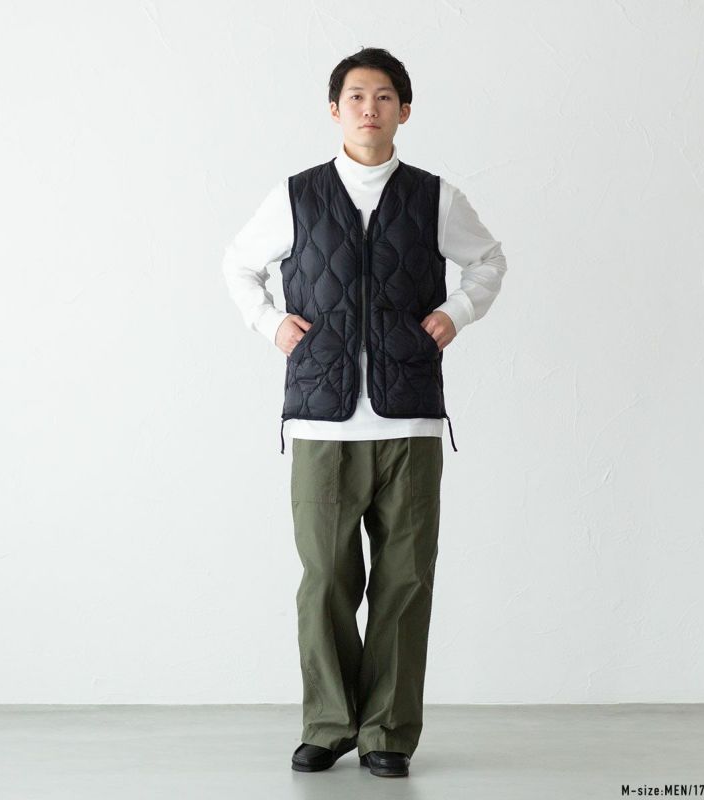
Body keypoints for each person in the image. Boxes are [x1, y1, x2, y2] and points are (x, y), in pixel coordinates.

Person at [222, 46, 507, 778]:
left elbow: (489, 262)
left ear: (404, 110)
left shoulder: (436, 198)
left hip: (409, 422)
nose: (369, 109)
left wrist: (454, 313)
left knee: (404, 582)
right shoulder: (296, 196)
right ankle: (328, 723)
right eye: (355, 97)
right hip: (322, 424)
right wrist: (271, 324)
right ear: (334, 110)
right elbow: (239, 265)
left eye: (383, 97)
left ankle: (387, 733)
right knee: (324, 580)